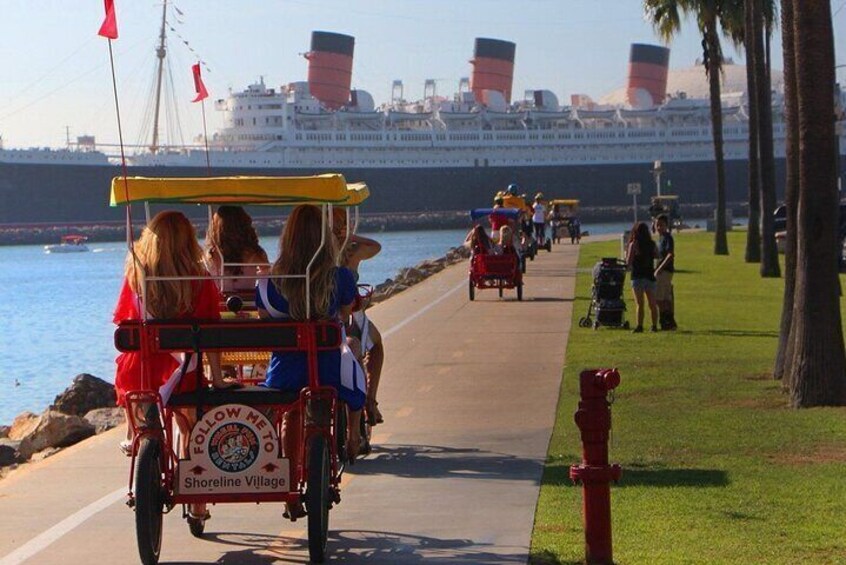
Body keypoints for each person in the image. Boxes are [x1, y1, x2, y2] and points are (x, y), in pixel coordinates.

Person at [113, 211, 235, 522]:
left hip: (140, 370)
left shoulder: (135, 275)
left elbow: (122, 322)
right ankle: (196, 500)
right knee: (190, 425)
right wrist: (218, 379)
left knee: (138, 399)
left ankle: (135, 435)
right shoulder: (198, 279)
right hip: (183, 370)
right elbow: (211, 334)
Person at [255, 205, 366, 469]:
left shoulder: (269, 283)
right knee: (354, 367)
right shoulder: (339, 277)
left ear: (287, 238)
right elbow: (346, 312)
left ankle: (289, 477)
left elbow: (264, 319)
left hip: (285, 373)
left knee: (291, 413)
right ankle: (353, 435)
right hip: (329, 370)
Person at [332, 208, 386, 425]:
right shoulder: (351, 255)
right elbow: (376, 246)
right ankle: (370, 401)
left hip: (333, 316)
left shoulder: (315, 253)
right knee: (377, 345)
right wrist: (349, 237)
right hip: (348, 316)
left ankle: (368, 401)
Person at [204, 205, 268, 292]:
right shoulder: (256, 253)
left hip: (219, 302)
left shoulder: (211, 255)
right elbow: (267, 278)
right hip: (249, 302)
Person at [626, 221, 659, 333]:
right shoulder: (652, 244)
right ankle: (654, 326)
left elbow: (629, 262)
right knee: (652, 304)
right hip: (649, 275)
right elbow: (657, 255)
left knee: (640, 304)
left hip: (637, 276)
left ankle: (639, 326)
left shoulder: (634, 244)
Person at [654, 214, 677, 330]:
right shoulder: (660, 239)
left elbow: (670, 255)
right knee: (666, 298)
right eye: (657, 225)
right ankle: (670, 321)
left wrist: (660, 268)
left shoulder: (667, 238)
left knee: (658, 298)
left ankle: (664, 320)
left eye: (661, 225)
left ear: (666, 226)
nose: (658, 227)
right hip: (664, 272)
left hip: (665, 272)